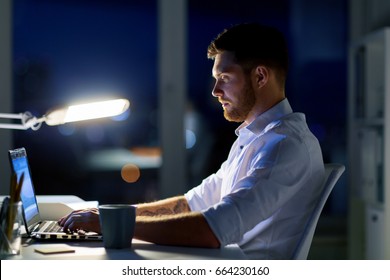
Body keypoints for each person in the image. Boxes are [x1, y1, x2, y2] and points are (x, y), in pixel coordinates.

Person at [59, 23, 325, 259]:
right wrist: (112, 215)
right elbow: (190, 203)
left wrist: (109, 225)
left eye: (224, 78)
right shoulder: (255, 138)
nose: (215, 91)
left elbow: (212, 231)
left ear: (260, 76)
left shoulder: (284, 145)